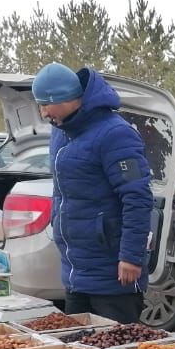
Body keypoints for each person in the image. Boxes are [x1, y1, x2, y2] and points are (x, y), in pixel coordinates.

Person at [32, 62, 152, 324]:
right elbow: (62, 192)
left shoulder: (115, 134)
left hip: (113, 273)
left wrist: (131, 256)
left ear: (63, 99)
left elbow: (138, 198)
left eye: (44, 104)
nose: (42, 112)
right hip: (76, 271)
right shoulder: (60, 132)